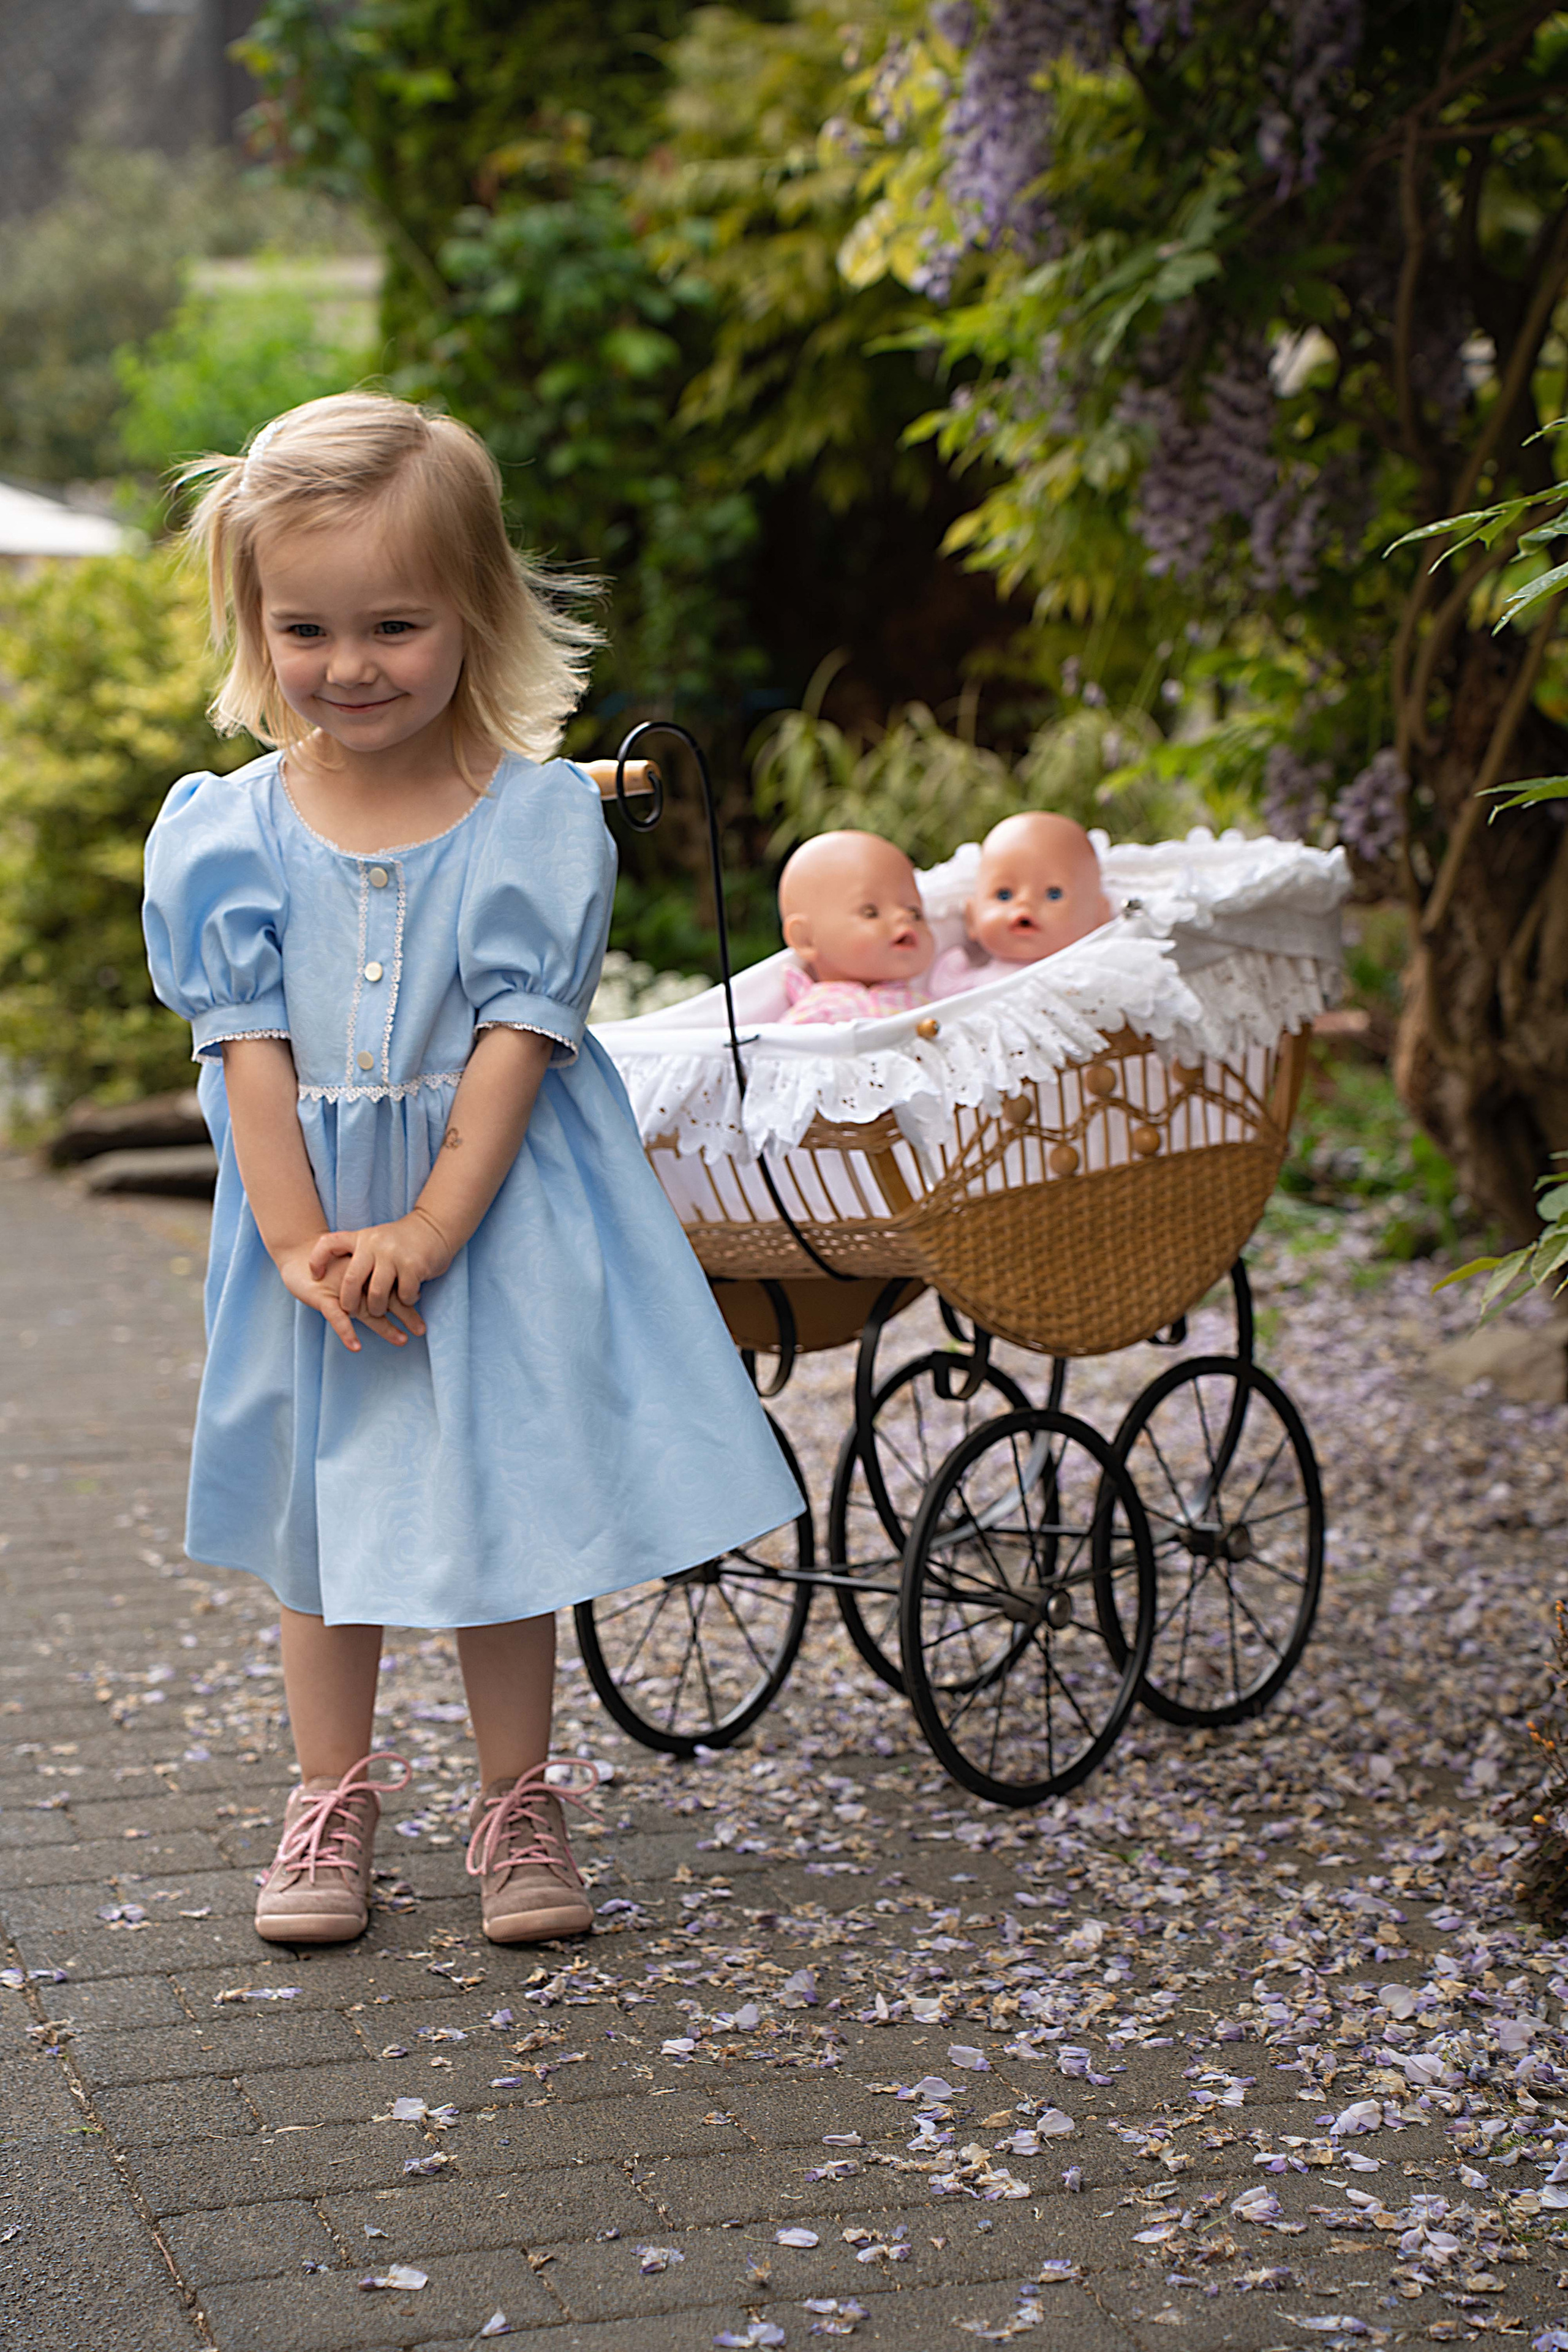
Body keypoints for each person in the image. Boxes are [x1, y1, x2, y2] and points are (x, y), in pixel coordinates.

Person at [142, 392, 803, 1949]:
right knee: (322, 1516)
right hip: (312, 1218)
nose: (348, 664)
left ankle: (519, 1801)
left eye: (393, 623)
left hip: (486, 1214)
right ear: (254, 624)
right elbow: (247, 1052)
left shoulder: (530, 823)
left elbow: (516, 1046)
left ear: (473, 615)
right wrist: (307, 1245)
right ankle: (331, 1792)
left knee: (490, 1498)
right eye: (304, 627)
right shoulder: (228, 834)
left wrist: (432, 1226)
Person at [930, 811, 1113, 995]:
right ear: (972, 917)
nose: (1025, 903)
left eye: (1053, 894)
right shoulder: (968, 987)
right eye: (1004, 895)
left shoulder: (1094, 979)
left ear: (1099, 916)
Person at [776, 829, 935, 1025]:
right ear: (806, 939)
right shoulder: (814, 1016)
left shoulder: (927, 1003)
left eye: (915, 913)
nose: (904, 917)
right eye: (871, 912)